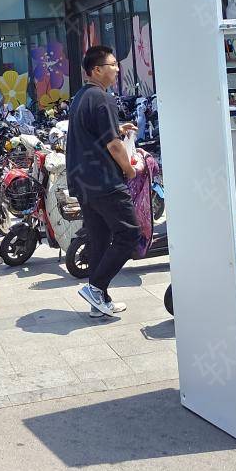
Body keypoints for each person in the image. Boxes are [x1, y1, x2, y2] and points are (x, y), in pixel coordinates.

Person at [66, 45, 140, 318]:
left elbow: (91, 131)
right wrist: (129, 169)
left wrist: (118, 127)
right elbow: (114, 146)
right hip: (105, 181)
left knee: (100, 239)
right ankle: (96, 287)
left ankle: (99, 301)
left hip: (83, 182)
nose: (117, 69)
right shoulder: (103, 98)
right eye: (113, 64)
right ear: (97, 70)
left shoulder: (82, 97)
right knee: (129, 235)